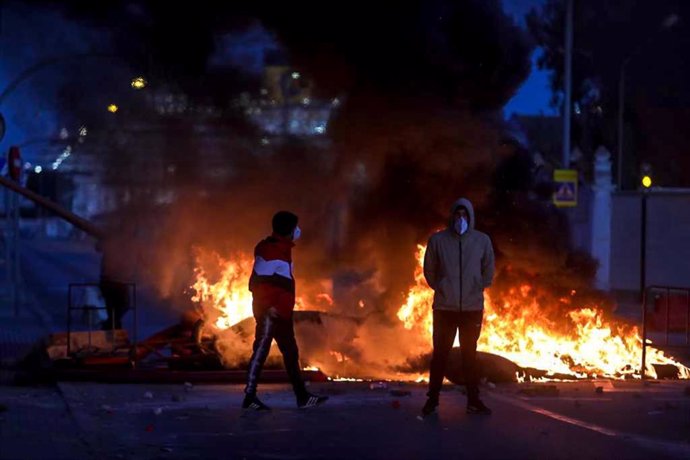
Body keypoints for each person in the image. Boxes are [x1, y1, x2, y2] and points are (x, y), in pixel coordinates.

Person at [242, 211, 328, 410]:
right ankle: (249, 397)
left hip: (282, 313)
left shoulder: (281, 249)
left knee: (291, 353)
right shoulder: (271, 252)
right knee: (260, 351)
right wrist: (268, 309)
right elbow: (258, 282)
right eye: (295, 227)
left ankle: (302, 397)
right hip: (271, 313)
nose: (298, 230)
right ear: (289, 230)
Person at [421, 198, 495, 416]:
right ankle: (432, 400)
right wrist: (442, 287)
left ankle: (473, 400)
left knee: (469, 357)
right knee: (440, 356)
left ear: (470, 217)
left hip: (471, 308)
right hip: (445, 309)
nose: (460, 219)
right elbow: (429, 270)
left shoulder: (482, 241)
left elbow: (488, 269)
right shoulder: (438, 240)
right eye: (457, 214)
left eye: (465, 215)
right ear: (451, 216)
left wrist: (478, 286)